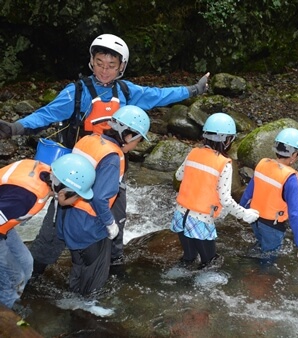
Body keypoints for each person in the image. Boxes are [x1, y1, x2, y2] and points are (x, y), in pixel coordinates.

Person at [0, 33, 209, 273]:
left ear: (122, 66)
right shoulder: (76, 92)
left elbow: (159, 95)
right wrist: (15, 128)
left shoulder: (127, 92)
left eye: (111, 65)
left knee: (115, 219)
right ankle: (37, 270)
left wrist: (194, 89)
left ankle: (113, 265)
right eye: (99, 63)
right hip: (75, 173)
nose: (104, 71)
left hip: (111, 170)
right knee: (56, 225)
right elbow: (46, 114)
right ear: (91, 61)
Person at [57, 105, 150, 296]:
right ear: (129, 136)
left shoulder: (88, 139)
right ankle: (88, 313)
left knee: (79, 268)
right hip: (90, 225)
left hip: (69, 218)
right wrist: (110, 224)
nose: (136, 145)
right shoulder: (112, 157)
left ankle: (70, 303)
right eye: (138, 140)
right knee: (94, 281)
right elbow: (100, 198)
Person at [0, 153, 96, 309]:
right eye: (77, 197)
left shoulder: (43, 172)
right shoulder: (24, 198)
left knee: (26, 264)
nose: (77, 201)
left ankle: (11, 300)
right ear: (64, 192)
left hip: (4, 227)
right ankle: (6, 318)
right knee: (14, 278)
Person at [170, 112, 260, 270]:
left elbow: (178, 175)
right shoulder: (223, 163)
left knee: (188, 258)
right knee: (210, 263)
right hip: (201, 221)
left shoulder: (193, 153)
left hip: (180, 215)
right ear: (227, 140)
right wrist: (245, 214)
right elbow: (225, 200)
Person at [239, 128, 298, 259]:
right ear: (294, 154)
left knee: (260, 245)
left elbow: (248, 194)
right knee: (269, 258)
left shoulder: (262, 164)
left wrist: (241, 212)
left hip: (255, 219)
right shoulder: (290, 178)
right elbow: (294, 213)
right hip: (272, 226)